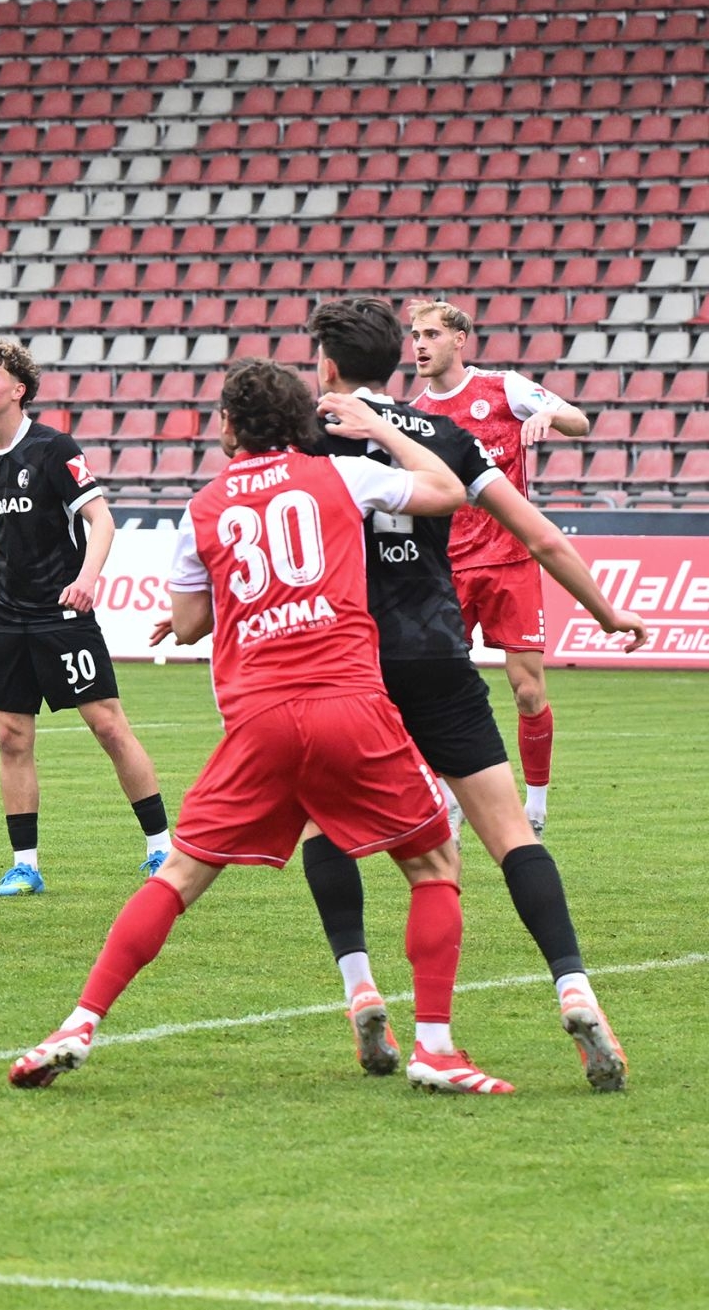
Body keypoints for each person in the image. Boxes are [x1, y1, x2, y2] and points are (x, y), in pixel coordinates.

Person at [11, 358, 517, 1096]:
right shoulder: (337, 474)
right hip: (349, 704)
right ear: (301, 423)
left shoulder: (204, 506)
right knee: (434, 865)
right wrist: (383, 432)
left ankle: (78, 1022)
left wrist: (213, 615)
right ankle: (435, 1047)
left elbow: (187, 620)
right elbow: (444, 490)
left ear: (227, 425)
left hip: (257, 718)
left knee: (180, 875)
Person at [298, 298, 645, 1090]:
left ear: (326, 363)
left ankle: (360, 987)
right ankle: (574, 986)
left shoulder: (306, 436)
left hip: (349, 662)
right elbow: (541, 534)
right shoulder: (445, 439)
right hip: (436, 654)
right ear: (397, 357)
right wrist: (606, 610)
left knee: (326, 825)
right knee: (509, 833)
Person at [0, 338, 171, 897]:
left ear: (19, 390)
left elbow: (102, 520)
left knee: (108, 726)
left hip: (61, 615)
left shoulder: (53, 448)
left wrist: (87, 579)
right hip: (5, 619)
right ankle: (25, 865)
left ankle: (162, 847)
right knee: (11, 737)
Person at [408, 299, 591, 836]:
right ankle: (449, 796)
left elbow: (579, 422)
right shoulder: (414, 414)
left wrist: (549, 413)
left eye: (431, 334)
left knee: (527, 689)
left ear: (459, 339)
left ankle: (535, 804)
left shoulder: (503, 388)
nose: (419, 344)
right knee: (436, 686)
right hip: (445, 569)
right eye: (415, 335)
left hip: (510, 559)